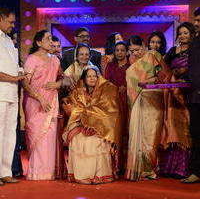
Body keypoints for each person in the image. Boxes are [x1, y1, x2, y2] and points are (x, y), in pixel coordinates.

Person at [62, 66, 121, 184]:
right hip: (80, 124)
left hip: (101, 127)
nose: (92, 79)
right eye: (89, 76)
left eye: (95, 76)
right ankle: (82, 176)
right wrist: (84, 119)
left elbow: (108, 112)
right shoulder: (77, 92)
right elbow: (72, 108)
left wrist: (91, 119)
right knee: (78, 139)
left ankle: (99, 175)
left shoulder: (107, 91)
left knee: (95, 141)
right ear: (84, 78)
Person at [125, 35, 171, 181]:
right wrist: (143, 81)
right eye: (132, 51)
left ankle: (150, 168)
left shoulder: (152, 55)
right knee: (138, 135)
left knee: (151, 136)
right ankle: (139, 168)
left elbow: (164, 76)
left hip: (154, 98)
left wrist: (148, 80)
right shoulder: (132, 61)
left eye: (138, 50)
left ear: (144, 45)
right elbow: (132, 81)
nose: (135, 54)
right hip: (138, 100)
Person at [23, 30, 62, 180]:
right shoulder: (31, 59)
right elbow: (25, 83)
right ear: (39, 43)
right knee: (37, 135)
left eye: (51, 38)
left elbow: (65, 79)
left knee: (50, 135)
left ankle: (48, 172)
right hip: (35, 103)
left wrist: (57, 83)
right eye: (47, 39)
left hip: (52, 101)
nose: (50, 41)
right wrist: (40, 99)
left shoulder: (55, 60)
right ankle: (36, 173)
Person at [160, 22, 195, 179]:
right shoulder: (173, 51)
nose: (182, 36)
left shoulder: (194, 51)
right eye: (180, 33)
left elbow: (195, 71)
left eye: (186, 33)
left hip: (188, 94)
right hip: (172, 95)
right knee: (171, 127)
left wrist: (185, 73)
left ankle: (184, 168)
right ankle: (170, 167)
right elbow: (163, 68)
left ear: (192, 35)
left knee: (185, 128)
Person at [0, 7, 26, 185]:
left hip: (12, 93)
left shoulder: (9, 41)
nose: (12, 25)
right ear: (0, 19)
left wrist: (22, 72)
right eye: (10, 21)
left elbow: (13, 65)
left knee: (10, 134)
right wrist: (16, 77)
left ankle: (5, 172)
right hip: (1, 93)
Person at [105, 41, 130, 173]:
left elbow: (135, 82)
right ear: (114, 52)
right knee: (116, 132)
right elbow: (106, 83)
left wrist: (126, 88)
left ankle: (127, 164)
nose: (119, 53)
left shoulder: (131, 66)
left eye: (122, 50)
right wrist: (116, 89)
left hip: (129, 102)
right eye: (117, 50)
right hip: (113, 102)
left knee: (127, 131)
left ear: (127, 52)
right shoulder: (110, 65)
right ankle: (116, 164)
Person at [181, 7, 200, 183]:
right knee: (196, 133)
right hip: (195, 97)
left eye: (199, 21)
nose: (195, 24)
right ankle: (196, 171)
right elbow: (192, 71)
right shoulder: (195, 43)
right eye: (195, 21)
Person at [8, 29, 23, 177]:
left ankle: (14, 170)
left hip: (13, 99)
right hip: (4, 96)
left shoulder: (15, 56)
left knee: (13, 136)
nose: (15, 42)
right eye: (13, 39)